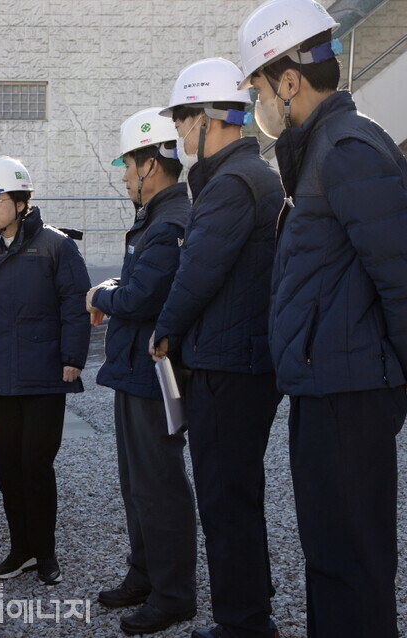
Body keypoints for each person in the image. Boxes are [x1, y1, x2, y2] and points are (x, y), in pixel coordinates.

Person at [237, 1, 407, 636]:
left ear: (289, 80)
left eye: (258, 88)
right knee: (332, 554)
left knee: (350, 559)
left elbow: (403, 263)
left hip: (349, 391)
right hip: (327, 381)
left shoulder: (346, 147)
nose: (258, 103)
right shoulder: (322, 147)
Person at [149, 57, 286, 638]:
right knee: (239, 494)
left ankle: (243, 623)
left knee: (225, 500)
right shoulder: (252, 176)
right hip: (245, 361)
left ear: (210, 118)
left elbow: (198, 271)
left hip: (228, 365)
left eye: (183, 119)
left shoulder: (231, 184)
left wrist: (164, 329)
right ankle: (252, 602)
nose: (180, 132)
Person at [0, 156, 91, 586]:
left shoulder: (56, 246)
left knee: (36, 465)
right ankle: (21, 550)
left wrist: (73, 358)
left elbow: (75, 303)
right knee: (8, 468)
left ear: (21, 202)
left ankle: (45, 553)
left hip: (46, 376)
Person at [87, 108, 197, 635]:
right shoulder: (156, 218)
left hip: (155, 374)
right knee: (137, 482)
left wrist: (99, 295)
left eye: (128, 166)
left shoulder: (169, 222)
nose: (126, 176)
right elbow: (136, 285)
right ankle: (145, 574)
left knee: (159, 485)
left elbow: (140, 296)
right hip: (136, 368)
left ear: (150, 164)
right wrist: (113, 290)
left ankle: (173, 595)